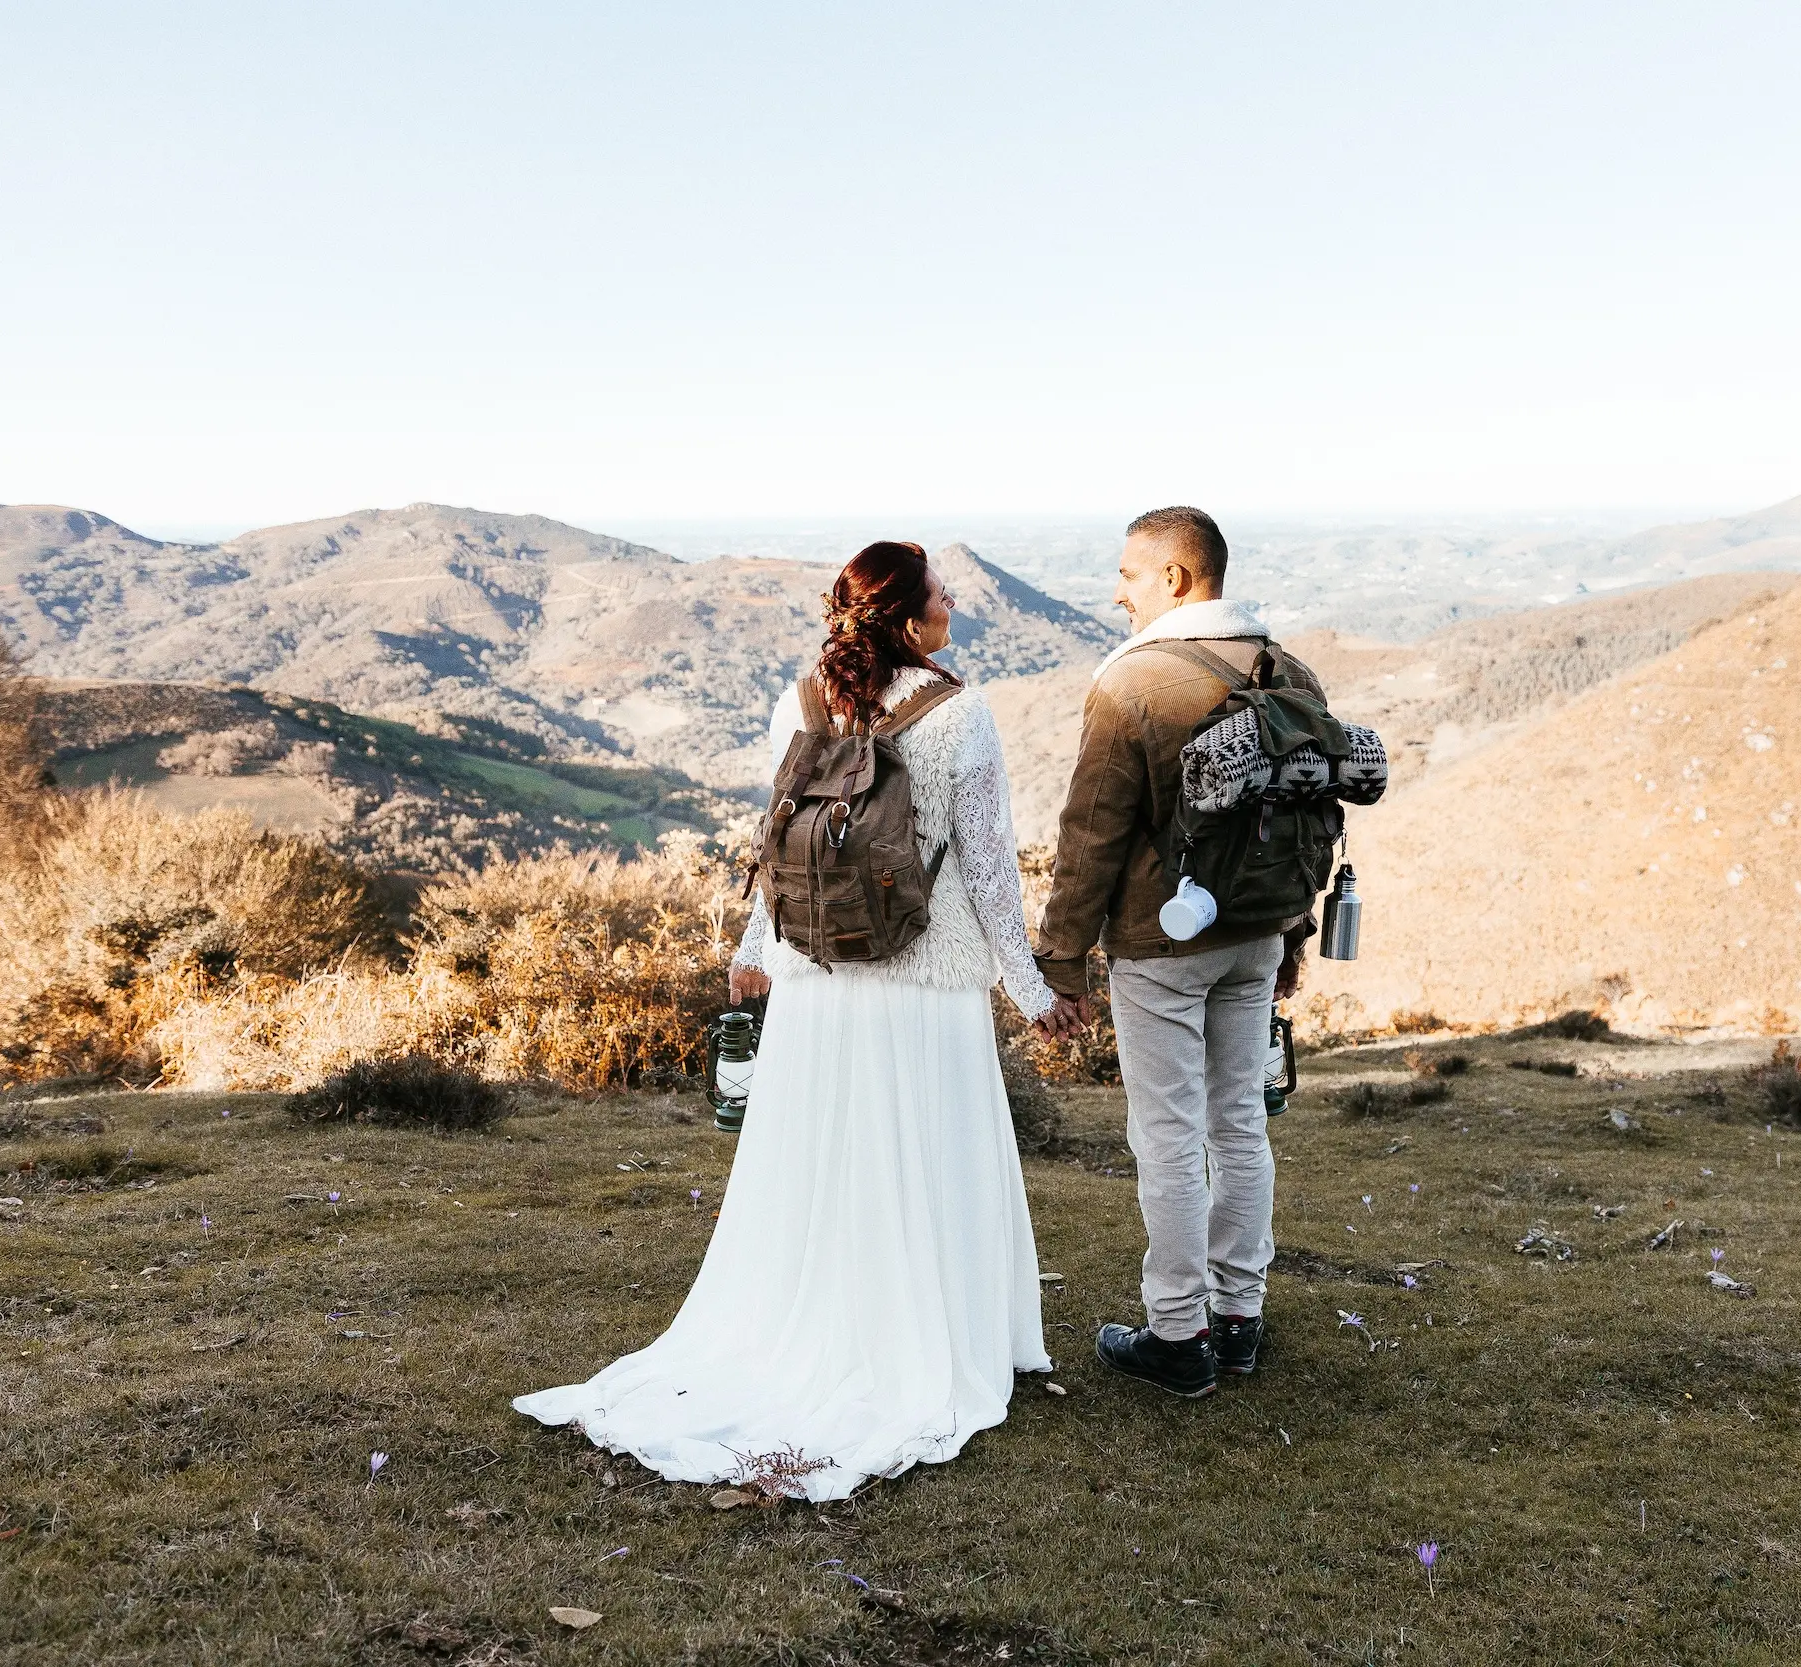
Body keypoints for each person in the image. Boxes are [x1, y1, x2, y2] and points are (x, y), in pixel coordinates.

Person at [513, 542, 1057, 1499]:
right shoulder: (960, 712)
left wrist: (758, 947)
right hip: (923, 983)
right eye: (942, 593)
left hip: (817, 977)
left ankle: (811, 1327)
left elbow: (779, 840)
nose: (954, 603)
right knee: (925, 1159)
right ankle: (922, 1337)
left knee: (821, 1163)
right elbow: (988, 869)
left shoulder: (800, 701)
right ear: (909, 618)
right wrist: (1033, 989)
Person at [1033, 506, 1322, 1398]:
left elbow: (1090, 834)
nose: (1117, 590)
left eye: (1128, 573)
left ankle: (1178, 1333)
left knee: (1167, 1136)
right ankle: (1239, 1319)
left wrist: (1061, 961)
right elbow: (1311, 819)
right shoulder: (1291, 671)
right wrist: (1293, 932)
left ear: (1175, 578)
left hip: (1162, 940)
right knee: (1239, 1122)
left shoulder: (1134, 683)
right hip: (1257, 932)